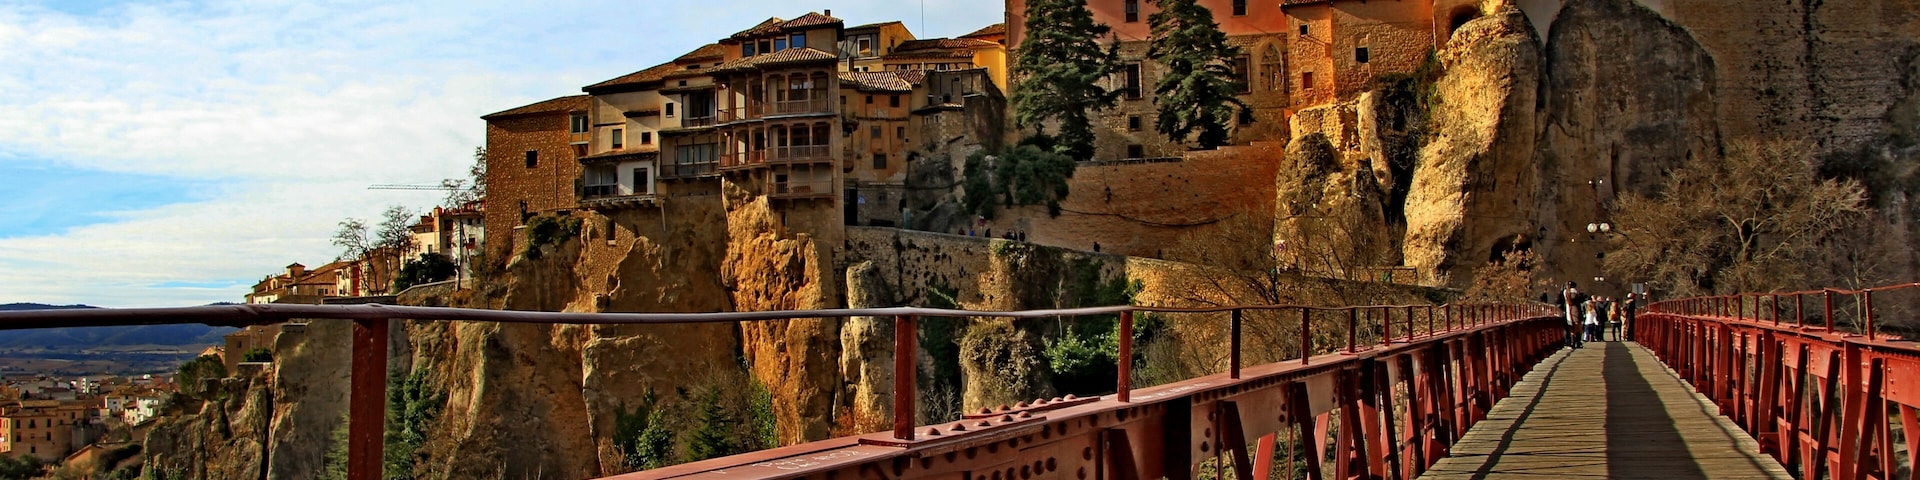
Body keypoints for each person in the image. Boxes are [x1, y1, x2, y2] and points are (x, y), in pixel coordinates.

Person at [1561, 282, 1585, 349]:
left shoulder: (1565, 292)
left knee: (1571, 327)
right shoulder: (1573, 291)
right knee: (1577, 326)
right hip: (1575, 309)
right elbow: (1576, 299)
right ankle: (1577, 342)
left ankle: (1572, 342)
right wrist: (1581, 295)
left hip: (1568, 309)